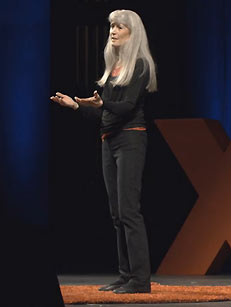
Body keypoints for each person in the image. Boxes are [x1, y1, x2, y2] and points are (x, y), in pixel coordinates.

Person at [50, 9, 157, 294]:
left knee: (129, 211)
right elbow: (105, 116)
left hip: (131, 140)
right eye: (112, 26)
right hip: (109, 140)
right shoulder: (113, 69)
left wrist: (101, 105)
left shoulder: (140, 65)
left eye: (119, 27)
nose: (113, 31)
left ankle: (140, 280)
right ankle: (126, 276)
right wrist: (77, 107)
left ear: (132, 33)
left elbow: (127, 108)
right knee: (116, 213)